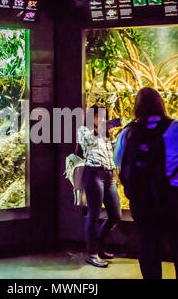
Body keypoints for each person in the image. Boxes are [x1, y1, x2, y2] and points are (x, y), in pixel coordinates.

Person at [114, 87, 178, 279]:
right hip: (177, 197)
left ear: (137, 107)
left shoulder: (127, 132)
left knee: (148, 246)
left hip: (142, 199)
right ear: (161, 104)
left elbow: (117, 161)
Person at [77, 105, 121, 268]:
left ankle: (98, 245)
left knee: (115, 215)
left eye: (104, 116)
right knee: (93, 215)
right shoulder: (84, 130)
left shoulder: (106, 134)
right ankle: (92, 253)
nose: (102, 118)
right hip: (93, 173)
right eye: (99, 116)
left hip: (109, 175)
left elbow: (113, 153)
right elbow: (86, 144)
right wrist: (101, 129)